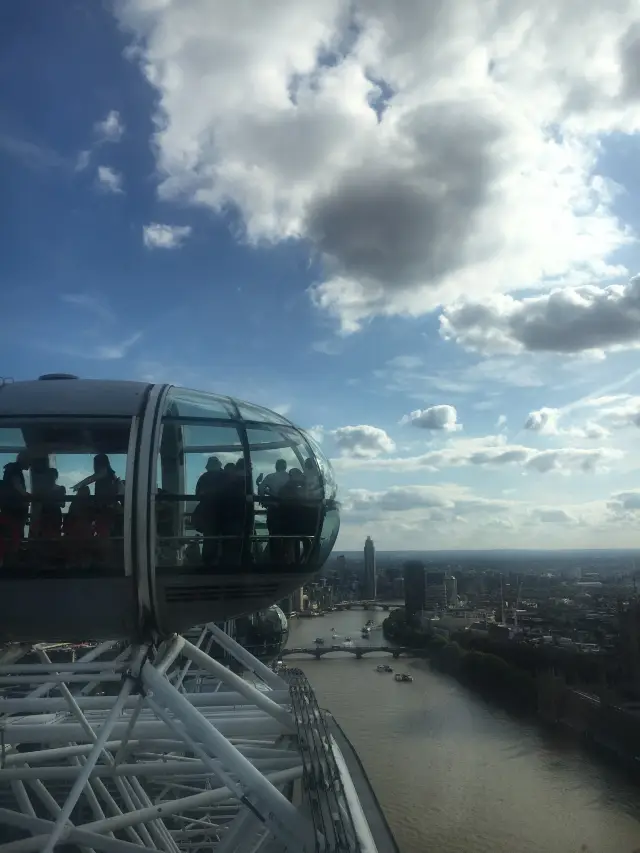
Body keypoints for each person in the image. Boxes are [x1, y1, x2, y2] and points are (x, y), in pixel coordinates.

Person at [0, 450, 31, 566]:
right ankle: (11, 564)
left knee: (13, 536)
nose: (30, 464)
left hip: (13, 510)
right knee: (14, 535)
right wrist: (26, 495)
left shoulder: (13, 469)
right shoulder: (14, 469)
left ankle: (11, 562)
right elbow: (16, 485)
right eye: (29, 461)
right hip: (13, 511)